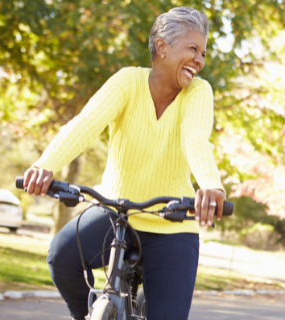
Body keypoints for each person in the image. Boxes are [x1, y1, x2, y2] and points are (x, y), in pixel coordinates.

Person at [22, 7, 225, 320]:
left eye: (203, 53)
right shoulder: (127, 82)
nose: (200, 60)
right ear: (162, 47)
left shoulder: (199, 93)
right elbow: (86, 123)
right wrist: (46, 164)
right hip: (115, 213)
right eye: (193, 49)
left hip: (173, 224)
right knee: (61, 257)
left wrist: (211, 185)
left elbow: (195, 140)